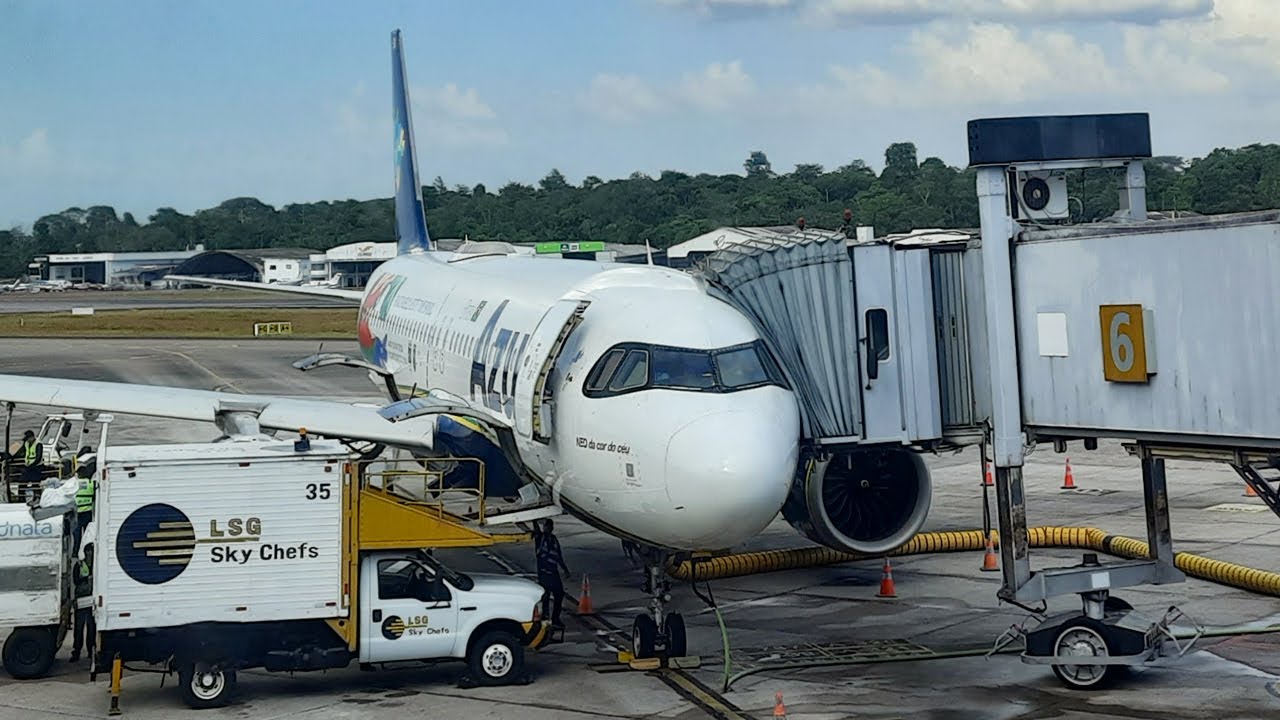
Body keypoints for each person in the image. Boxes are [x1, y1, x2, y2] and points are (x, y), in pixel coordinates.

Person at [533, 519, 570, 627]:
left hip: (553, 571)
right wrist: (534, 519)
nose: (549, 528)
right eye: (547, 526)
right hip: (544, 572)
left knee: (559, 594)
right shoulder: (540, 538)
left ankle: (555, 618)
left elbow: (558, 555)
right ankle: (545, 616)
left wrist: (564, 569)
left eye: (550, 526)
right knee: (546, 595)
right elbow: (536, 530)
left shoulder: (553, 539)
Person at [70, 543, 95, 664]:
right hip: (81, 598)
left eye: (91, 551)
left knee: (92, 627)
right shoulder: (79, 565)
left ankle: (91, 650)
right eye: (88, 551)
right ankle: (76, 651)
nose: (89, 553)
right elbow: (75, 580)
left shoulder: (96, 564)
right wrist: (86, 578)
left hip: (92, 599)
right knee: (79, 628)